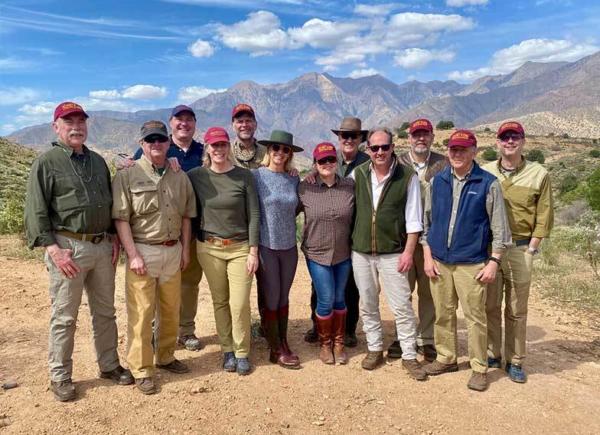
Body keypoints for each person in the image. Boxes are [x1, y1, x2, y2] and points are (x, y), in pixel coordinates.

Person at [25, 102, 133, 402]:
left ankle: (109, 365)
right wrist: (53, 250)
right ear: (56, 127)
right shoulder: (46, 162)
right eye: (69, 121)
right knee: (65, 316)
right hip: (67, 248)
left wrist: (113, 237)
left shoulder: (98, 161)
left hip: (101, 247)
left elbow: (109, 202)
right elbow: (35, 210)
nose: (76, 127)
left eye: (81, 121)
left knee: (105, 313)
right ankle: (60, 375)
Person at [422, 129, 512, 392]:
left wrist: (494, 262)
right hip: (439, 261)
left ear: (475, 152)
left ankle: (479, 368)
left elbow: (500, 229)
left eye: (463, 149)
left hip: (472, 263)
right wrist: (427, 256)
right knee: (443, 314)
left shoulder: (488, 183)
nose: (457, 154)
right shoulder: (437, 182)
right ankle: (446, 358)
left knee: (475, 317)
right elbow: (427, 224)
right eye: (453, 149)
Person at [112, 120, 196, 395]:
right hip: (143, 251)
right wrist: (132, 255)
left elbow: (186, 216)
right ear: (141, 145)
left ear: (169, 142)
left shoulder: (179, 175)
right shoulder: (127, 175)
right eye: (151, 140)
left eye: (161, 139)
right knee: (142, 313)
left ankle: (166, 356)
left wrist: (185, 249)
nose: (156, 144)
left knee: (171, 309)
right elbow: (122, 219)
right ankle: (141, 369)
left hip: (173, 251)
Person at [350, 127, 427, 381]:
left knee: (402, 306)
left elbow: (414, 220)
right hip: (361, 252)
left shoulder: (407, 176)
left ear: (393, 147)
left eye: (385, 147)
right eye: (375, 148)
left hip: (394, 252)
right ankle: (374, 348)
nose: (380, 152)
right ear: (368, 150)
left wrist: (408, 252)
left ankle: (408, 355)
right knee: (368, 303)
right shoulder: (358, 174)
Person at [483, 121, 554, 383]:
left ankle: (515, 360)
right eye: (504, 137)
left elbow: (545, 214)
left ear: (523, 141)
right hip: (490, 249)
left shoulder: (539, 173)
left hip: (521, 247)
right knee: (490, 304)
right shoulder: (486, 171)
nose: (509, 142)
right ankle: (492, 353)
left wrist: (532, 248)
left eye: (515, 137)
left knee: (516, 309)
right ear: (497, 143)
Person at [131, 105, 205, 352]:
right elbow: (133, 167)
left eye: (189, 119)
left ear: (195, 124)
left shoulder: (203, 152)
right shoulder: (160, 146)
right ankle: (155, 331)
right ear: (170, 123)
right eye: (179, 119)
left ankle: (186, 331)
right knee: (155, 285)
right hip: (157, 235)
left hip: (193, 231)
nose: (184, 124)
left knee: (188, 284)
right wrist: (122, 164)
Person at [187, 127, 260, 376]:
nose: (218, 149)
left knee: (239, 303)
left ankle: (242, 351)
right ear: (207, 148)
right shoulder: (196, 176)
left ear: (229, 147)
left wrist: (253, 250)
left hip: (240, 248)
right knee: (220, 301)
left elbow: (254, 215)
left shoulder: (243, 177)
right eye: (213, 145)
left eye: (222, 145)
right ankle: (227, 350)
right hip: (209, 248)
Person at [304, 117, 369, 348]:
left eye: (353, 136)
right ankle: (318, 325)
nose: (349, 139)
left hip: (351, 234)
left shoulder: (367, 163)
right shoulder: (333, 159)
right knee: (318, 286)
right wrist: (312, 171)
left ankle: (348, 330)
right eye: (344, 136)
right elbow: (321, 167)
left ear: (361, 138)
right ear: (339, 139)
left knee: (350, 286)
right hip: (322, 239)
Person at [390, 118, 448, 362]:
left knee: (429, 292)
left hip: (433, 240)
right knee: (402, 291)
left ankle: (427, 339)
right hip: (402, 240)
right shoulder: (398, 163)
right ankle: (403, 336)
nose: (420, 138)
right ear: (409, 138)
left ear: (432, 136)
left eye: (425, 134)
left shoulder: (444, 164)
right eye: (416, 134)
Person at [298, 142, 355, 365]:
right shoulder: (305, 188)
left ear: (337, 162)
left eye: (331, 159)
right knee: (326, 299)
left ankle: (338, 343)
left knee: (340, 298)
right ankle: (325, 344)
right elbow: (287, 211)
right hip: (317, 253)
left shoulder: (350, 186)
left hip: (343, 253)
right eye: (322, 161)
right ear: (315, 164)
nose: (327, 164)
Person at [252, 130, 303, 369]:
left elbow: (301, 206)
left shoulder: (294, 179)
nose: (280, 153)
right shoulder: (256, 177)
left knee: (284, 295)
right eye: (276, 148)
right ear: (268, 151)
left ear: (290, 154)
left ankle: (283, 340)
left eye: (285, 150)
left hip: (289, 246)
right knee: (271, 295)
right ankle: (274, 349)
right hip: (266, 245)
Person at [231, 103, 266, 170]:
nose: (244, 125)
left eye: (248, 121)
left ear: (255, 124)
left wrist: (291, 168)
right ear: (233, 125)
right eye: (240, 121)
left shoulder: (267, 152)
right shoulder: (226, 153)